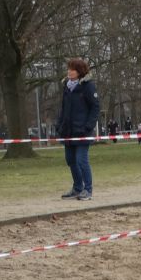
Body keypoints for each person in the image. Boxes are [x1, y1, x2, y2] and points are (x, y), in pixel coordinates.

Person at [56, 58, 99, 201]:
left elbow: (95, 107)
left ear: (79, 71)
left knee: (81, 160)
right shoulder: (67, 87)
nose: (69, 72)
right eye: (68, 69)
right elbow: (63, 108)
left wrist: (88, 126)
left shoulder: (88, 86)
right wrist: (59, 125)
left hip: (82, 131)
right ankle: (77, 188)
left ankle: (88, 190)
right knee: (70, 160)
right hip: (68, 132)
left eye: (72, 69)